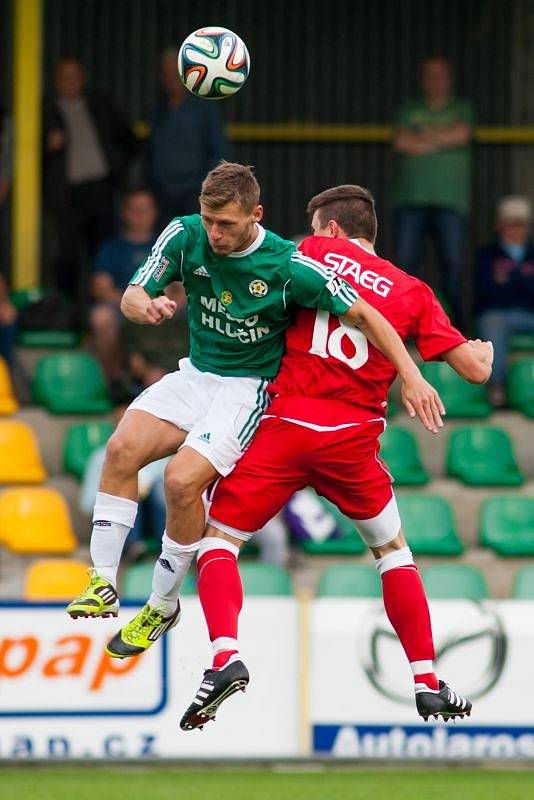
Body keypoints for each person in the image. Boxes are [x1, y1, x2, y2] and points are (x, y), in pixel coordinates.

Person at [65, 163, 443, 659]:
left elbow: (365, 314)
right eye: (209, 221)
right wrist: (146, 305)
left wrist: (412, 376)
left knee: (181, 481)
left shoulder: (288, 265)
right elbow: (134, 295)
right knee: (120, 449)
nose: (215, 234)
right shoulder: (184, 234)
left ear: (256, 214)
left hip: (248, 390)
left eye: (227, 224)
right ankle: (101, 583)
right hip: (196, 373)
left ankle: (162, 604)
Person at [174, 185, 493, 731]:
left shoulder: (309, 254)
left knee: (219, 539)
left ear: (330, 229)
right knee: (393, 552)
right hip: (353, 439)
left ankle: (225, 657)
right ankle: (425, 679)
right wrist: (481, 350)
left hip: (286, 424)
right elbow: (475, 372)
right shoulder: (413, 292)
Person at [43, 57, 137, 305]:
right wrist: (48, 146)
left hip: (101, 189)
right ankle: (69, 316)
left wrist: (117, 168)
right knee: (67, 258)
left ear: (83, 79)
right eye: (64, 77)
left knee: (103, 254)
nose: (70, 82)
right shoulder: (46, 111)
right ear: (56, 82)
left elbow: (128, 138)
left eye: (75, 76)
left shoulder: (100, 104)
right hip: (67, 195)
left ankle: (103, 313)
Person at [393, 56, 474, 325]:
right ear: (423, 79)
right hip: (411, 200)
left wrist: (423, 137)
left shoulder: (462, 108)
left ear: (449, 79)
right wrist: (443, 138)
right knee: (404, 268)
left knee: (453, 268)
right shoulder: (409, 107)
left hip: (450, 202)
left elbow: (461, 136)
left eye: (441, 75)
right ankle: (402, 329)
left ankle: (461, 332)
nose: (435, 81)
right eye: (430, 75)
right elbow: (402, 143)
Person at [147, 48, 229, 226]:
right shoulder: (158, 110)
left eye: (175, 72)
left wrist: (205, 189)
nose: (171, 78)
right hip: (162, 195)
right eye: (166, 72)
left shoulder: (205, 108)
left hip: (195, 194)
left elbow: (218, 151)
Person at [90, 188, 159, 384]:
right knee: (101, 317)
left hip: (161, 308)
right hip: (121, 307)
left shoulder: (165, 244)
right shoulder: (112, 247)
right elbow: (100, 287)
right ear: (124, 213)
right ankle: (112, 384)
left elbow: (180, 287)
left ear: (154, 212)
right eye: (134, 210)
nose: (140, 216)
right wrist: (134, 303)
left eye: (145, 210)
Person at [474, 195, 534, 407]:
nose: (516, 230)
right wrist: (523, 279)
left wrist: (510, 280)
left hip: (529, 314)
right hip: (498, 314)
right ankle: (496, 387)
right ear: (500, 226)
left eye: (521, 225)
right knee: (493, 322)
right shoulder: (486, 255)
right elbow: (486, 292)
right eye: (511, 224)